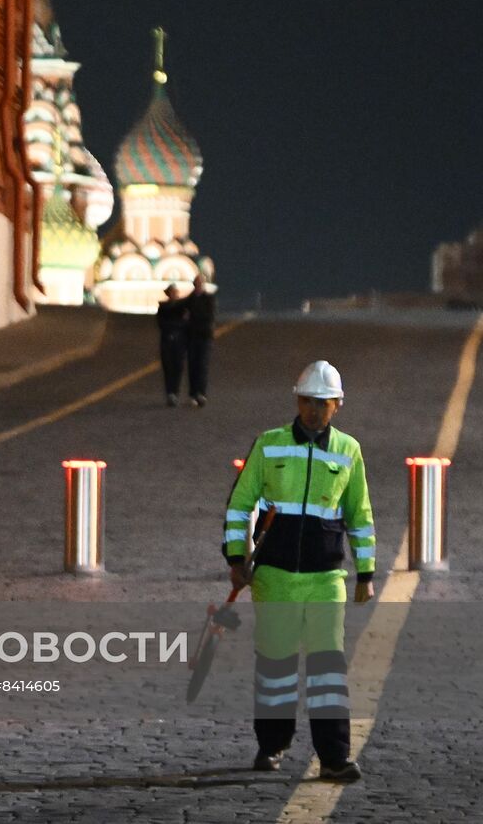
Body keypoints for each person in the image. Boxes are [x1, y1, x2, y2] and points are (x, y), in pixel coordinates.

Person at [221, 360, 375, 783]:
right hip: (274, 577)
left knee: (328, 668)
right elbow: (240, 506)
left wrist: (366, 571)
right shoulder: (268, 445)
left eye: (323, 403)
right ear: (297, 400)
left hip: (327, 579)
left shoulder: (349, 450)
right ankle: (271, 745)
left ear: (337, 406)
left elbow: (358, 513)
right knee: (276, 666)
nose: (313, 410)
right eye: (307, 401)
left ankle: (334, 757)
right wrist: (237, 559)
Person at [156, 283, 189, 406]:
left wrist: (173, 325)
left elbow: (185, 323)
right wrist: (177, 324)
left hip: (178, 342)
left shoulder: (181, 307)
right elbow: (161, 324)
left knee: (178, 367)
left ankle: (175, 392)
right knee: (168, 367)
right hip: (167, 341)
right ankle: (170, 393)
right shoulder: (163, 307)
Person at [186, 273, 216, 407]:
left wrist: (192, 316)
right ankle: (193, 393)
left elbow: (208, 315)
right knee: (193, 366)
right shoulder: (189, 299)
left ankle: (201, 393)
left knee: (202, 366)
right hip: (192, 337)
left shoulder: (208, 299)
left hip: (204, 337)